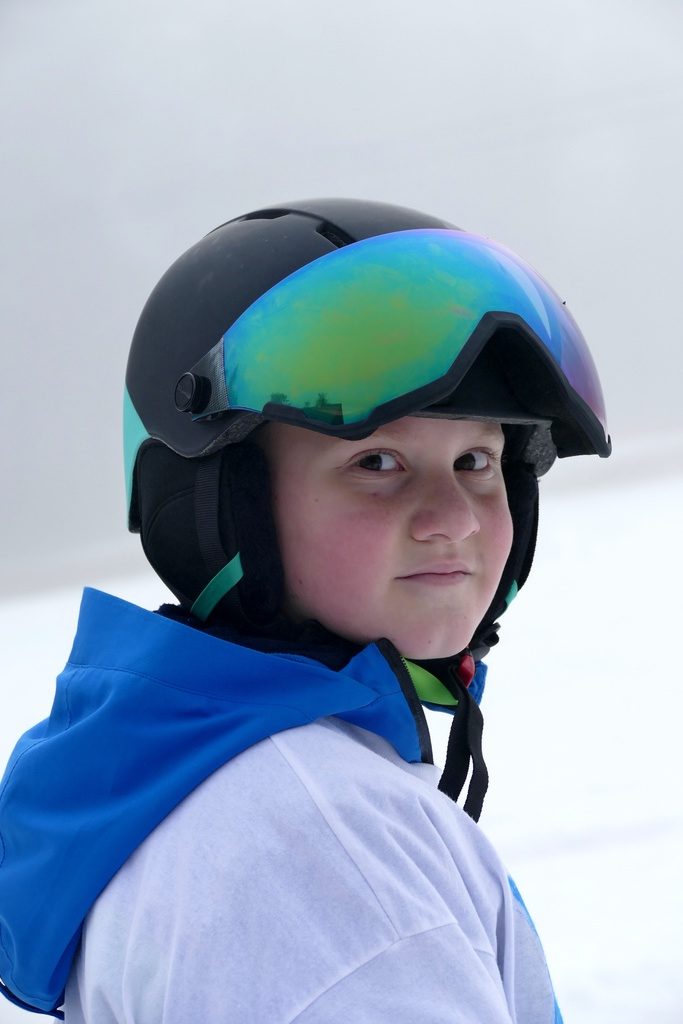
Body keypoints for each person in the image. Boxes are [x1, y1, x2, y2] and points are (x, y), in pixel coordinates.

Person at [0, 198, 611, 1022]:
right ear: (224, 508)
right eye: (377, 462)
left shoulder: (191, 784)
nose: (455, 519)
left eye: (475, 459)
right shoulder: (321, 848)